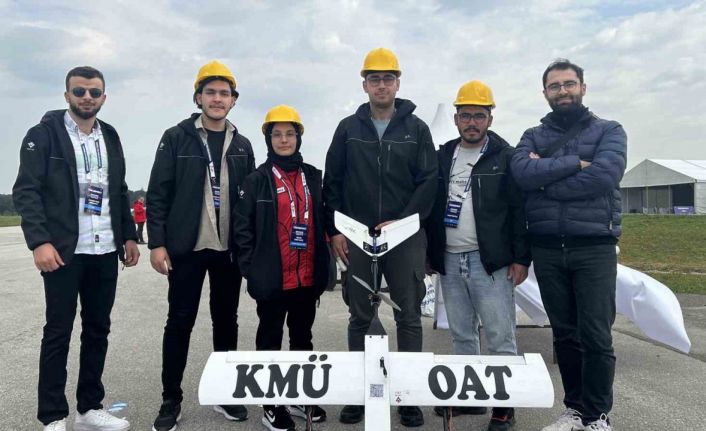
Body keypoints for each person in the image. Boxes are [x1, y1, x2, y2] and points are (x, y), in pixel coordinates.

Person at [12, 66, 139, 431]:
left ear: (104, 97)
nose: (87, 97)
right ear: (66, 95)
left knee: (98, 329)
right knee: (58, 332)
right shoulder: (43, 135)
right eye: (79, 91)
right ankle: (53, 415)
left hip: (105, 248)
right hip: (64, 250)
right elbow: (27, 191)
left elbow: (118, 189)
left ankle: (89, 408)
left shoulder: (109, 135)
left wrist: (129, 235)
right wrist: (39, 241)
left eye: (94, 92)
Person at [323, 47, 437, 427]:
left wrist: (402, 222)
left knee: (408, 315)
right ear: (365, 84)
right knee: (360, 315)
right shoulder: (347, 129)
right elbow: (332, 182)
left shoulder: (417, 130)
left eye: (388, 78)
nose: (382, 85)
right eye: (375, 79)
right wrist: (336, 230)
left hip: (404, 237)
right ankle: (360, 393)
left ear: (398, 83)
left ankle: (409, 396)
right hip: (358, 236)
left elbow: (428, 182)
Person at [510, 59, 627, 431]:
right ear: (545, 92)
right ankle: (575, 410)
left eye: (569, 84)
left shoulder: (610, 130)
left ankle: (597, 415)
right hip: (547, 248)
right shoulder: (532, 135)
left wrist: (545, 181)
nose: (562, 91)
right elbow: (521, 173)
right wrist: (577, 163)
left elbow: (605, 175)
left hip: (594, 246)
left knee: (596, 335)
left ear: (583, 88)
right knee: (565, 335)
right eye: (555, 86)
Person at [146, 60, 256, 431]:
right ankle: (170, 399)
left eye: (224, 93)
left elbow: (249, 202)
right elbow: (158, 193)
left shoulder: (242, 144)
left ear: (233, 100)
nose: (217, 99)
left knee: (227, 321)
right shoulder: (176, 137)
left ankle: (226, 394)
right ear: (198, 98)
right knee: (179, 321)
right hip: (186, 249)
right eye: (210, 92)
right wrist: (157, 243)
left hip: (228, 251)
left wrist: (249, 248)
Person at [426, 80, 530, 431]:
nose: (472, 122)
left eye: (479, 116)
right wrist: (430, 253)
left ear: (490, 119)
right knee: (462, 334)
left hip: (490, 262)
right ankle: (471, 397)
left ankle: (504, 405)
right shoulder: (443, 156)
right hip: (450, 259)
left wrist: (521, 258)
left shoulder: (506, 157)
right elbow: (431, 207)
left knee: (501, 335)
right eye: (466, 115)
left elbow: (518, 210)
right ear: (456, 118)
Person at [233, 105, 331, 431]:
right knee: (270, 341)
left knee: (303, 338)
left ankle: (299, 396)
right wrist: (252, 270)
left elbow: (324, 220)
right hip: (273, 279)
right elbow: (242, 230)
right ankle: (271, 405)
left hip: (306, 277)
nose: (284, 140)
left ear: (298, 138)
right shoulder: (256, 180)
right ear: (268, 139)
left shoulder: (313, 176)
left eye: (290, 134)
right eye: (277, 134)